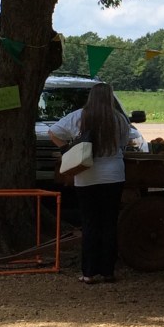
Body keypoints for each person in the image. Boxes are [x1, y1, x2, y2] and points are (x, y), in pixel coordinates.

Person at [49, 82, 137, 284]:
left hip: (86, 176)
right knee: (109, 223)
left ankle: (88, 272)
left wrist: (67, 150)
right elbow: (124, 143)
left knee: (90, 224)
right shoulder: (119, 119)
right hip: (114, 175)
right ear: (110, 97)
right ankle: (108, 271)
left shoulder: (80, 116)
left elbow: (53, 132)